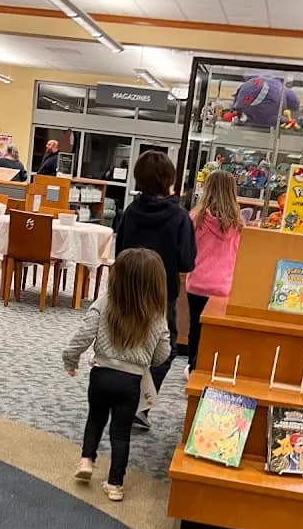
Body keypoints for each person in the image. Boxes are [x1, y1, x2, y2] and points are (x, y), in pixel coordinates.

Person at [63, 248, 170, 502]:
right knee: (121, 433)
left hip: (101, 376)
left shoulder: (105, 301)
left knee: (95, 419)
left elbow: (84, 334)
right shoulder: (156, 314)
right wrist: (146, 360)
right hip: (130, 382)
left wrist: (70, 358)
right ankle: (115, 485)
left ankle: (86, 461)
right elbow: (162, 353)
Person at [115, 150, 196, 428]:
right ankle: (142, 404)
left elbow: (119, 252)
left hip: (126, 291)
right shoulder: (180, 217)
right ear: (169, 180)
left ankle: (122, 400)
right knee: (165, 350)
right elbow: (187, 261)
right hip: (162, 296)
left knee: (126, 346)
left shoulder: (131, 212)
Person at [185, 169, 250, 374]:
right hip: (223, 286)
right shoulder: (237, 224)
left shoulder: (195, 218)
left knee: (196, 328)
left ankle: (194, 367)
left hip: (197, 283)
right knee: (216, 332)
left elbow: (188, 248)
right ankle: (210, 368)